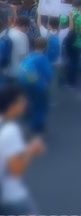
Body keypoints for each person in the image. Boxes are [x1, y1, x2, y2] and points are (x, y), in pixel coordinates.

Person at [0, 84, 45, 215]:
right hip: (11, 196)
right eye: (21, 100)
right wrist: (31, 149)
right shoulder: (10, 130)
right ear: (10, 105)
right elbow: (15, 169)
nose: (25, 103)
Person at [17, 37, 52, 134]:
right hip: (38, 84)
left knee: (32, 102)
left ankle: (30, 120)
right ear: (45, 46)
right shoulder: (42, 58)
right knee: (41, 105)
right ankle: (36, 125)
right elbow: (48, 74)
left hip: (25, 82)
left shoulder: (29, 56)